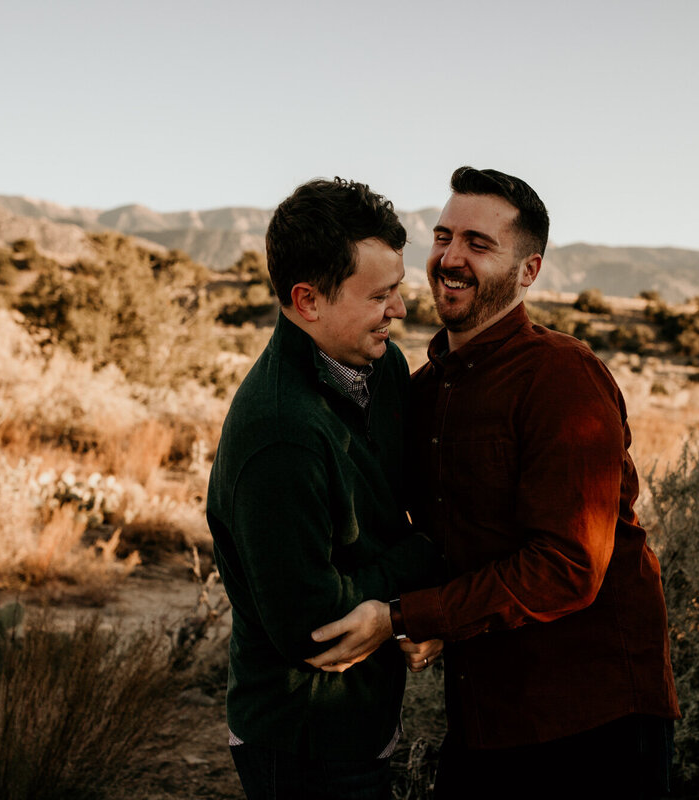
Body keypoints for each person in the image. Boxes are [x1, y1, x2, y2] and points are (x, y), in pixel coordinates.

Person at [306, 167, 680, 798]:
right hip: (487, 718)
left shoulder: (561, 378)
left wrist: (404, 616)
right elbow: (441, 536)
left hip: (593, 721)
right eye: (443, 236)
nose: (451, 258)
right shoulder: (422, 391)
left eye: (478, 245)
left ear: (528, 271)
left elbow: (568, 564)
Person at [205, 177, 442, 800]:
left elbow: (409, 506)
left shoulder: (384, 369)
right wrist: (423, 566)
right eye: (381, 295)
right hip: (301, 740)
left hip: (364, 715)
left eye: (399, 289)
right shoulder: (280, 434)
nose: (400, 310)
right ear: (307, 301)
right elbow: (314, 624)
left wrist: (401, 611)